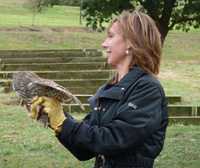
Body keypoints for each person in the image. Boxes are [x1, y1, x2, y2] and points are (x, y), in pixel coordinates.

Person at [30, 11, 169, 168]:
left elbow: (113, 140)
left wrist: (63, 121)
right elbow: (84, 150)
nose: (104, 44)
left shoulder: (147, 89)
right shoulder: (109, 89)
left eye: (111, 36)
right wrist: (54, 117)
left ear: (130, 41)